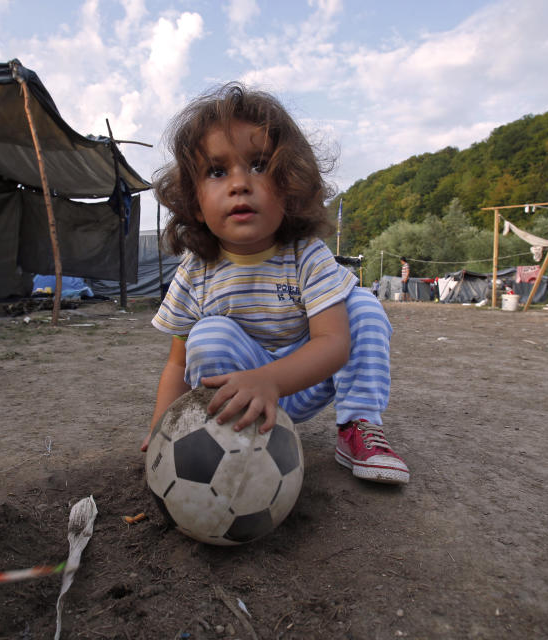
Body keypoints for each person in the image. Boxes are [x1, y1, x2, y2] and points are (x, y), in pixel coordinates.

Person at [141, 83, 409, 485]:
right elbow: (178, 363)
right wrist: (162, 429)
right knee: (207, 334)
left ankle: (359, 426)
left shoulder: (306, 254)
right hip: (237, 390)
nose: (239, 183)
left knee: (364, 307)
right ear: (194, 201)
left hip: (305, 378)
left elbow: (333, 343)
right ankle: (232, 438)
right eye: (217, 171)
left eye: (259, 165)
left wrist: (270, 381)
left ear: (290, 183)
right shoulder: (196, 271)